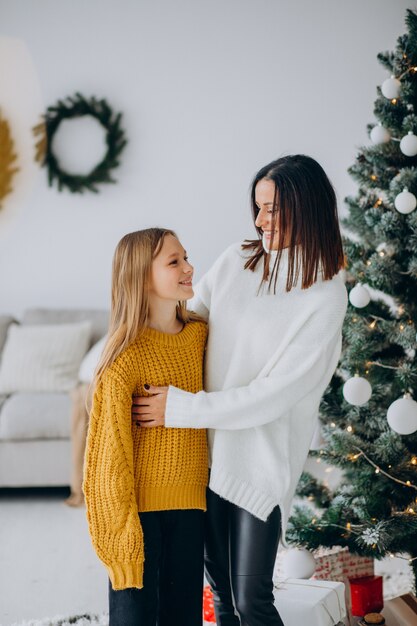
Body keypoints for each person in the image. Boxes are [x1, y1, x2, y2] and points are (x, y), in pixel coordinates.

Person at [132, 155, 348, 626]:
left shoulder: (326, 293)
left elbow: (273, 395)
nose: (259, 220)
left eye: (272, 208)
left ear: (306, 207)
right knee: (223, 600)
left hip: (259, 464)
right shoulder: (236, 260)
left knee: (252, 601)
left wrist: (182, 408)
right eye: (257, 206)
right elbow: (190, 325)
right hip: (203, 454)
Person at [83, 228, 208, 626]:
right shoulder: (124, 359)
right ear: (141, 276)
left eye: (186, 257)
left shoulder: (202, 337)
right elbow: (106, 465)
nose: (189, 267)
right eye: (174, 262)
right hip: (139, 516)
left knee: (183, 617)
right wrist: (121, 547)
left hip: (193, 506)